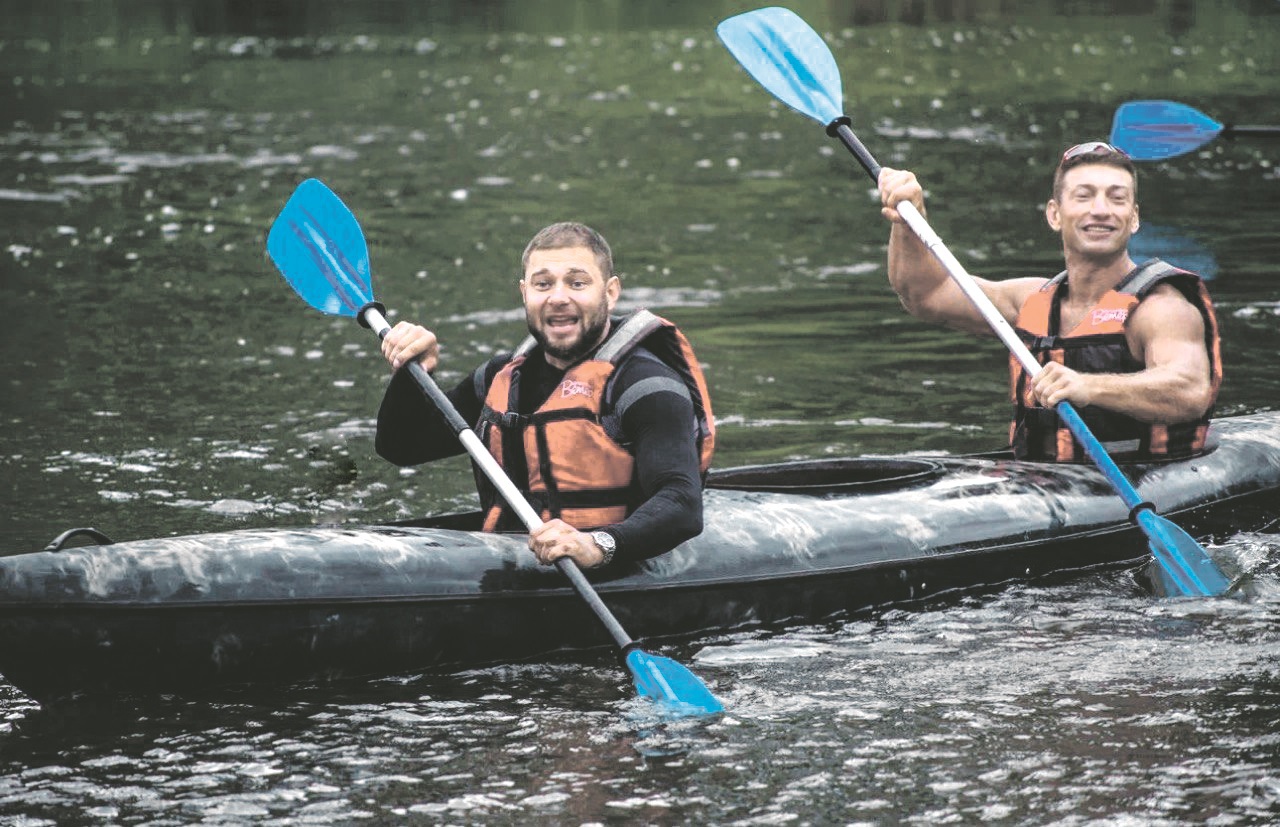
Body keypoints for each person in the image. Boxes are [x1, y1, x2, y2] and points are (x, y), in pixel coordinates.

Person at [374, 222, 715, 568]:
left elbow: (682, 504)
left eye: (577, 283)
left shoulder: (644, 386)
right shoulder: (501, 377)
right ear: (525, 293)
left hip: (612, 566)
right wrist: (411, 370)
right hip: (509, 564)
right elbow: (401, 447)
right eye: (543, 284)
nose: (558, 298)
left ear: (610, 293)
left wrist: (597, 545)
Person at [877, 141, 1222, 462]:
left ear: (1133, 218)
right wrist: (909, 221)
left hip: (1146, 479)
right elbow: (926, 294)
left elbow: (1189, 391)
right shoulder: (1031, 300)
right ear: (1055, 214)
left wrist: (1089, 385)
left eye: (1117, 199)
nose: (1101, 210)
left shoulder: (1161, 307)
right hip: (1044, 477)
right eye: (1084, 196)